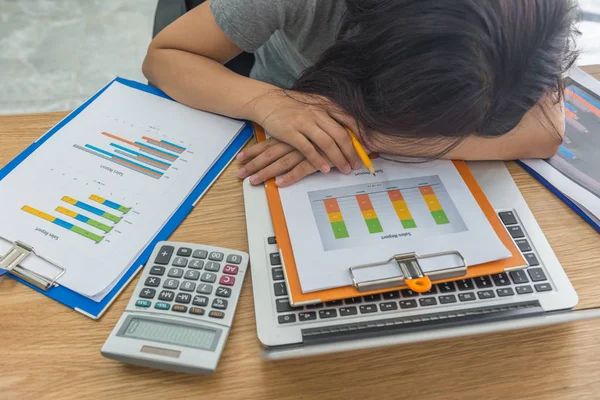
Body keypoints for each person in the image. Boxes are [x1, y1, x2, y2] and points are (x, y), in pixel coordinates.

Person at [142, 0, 578, 187]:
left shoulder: (531, 17)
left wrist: (362, 135)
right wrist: (269, 103)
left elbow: (545, 133)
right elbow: (164, 56)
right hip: (276, 118)